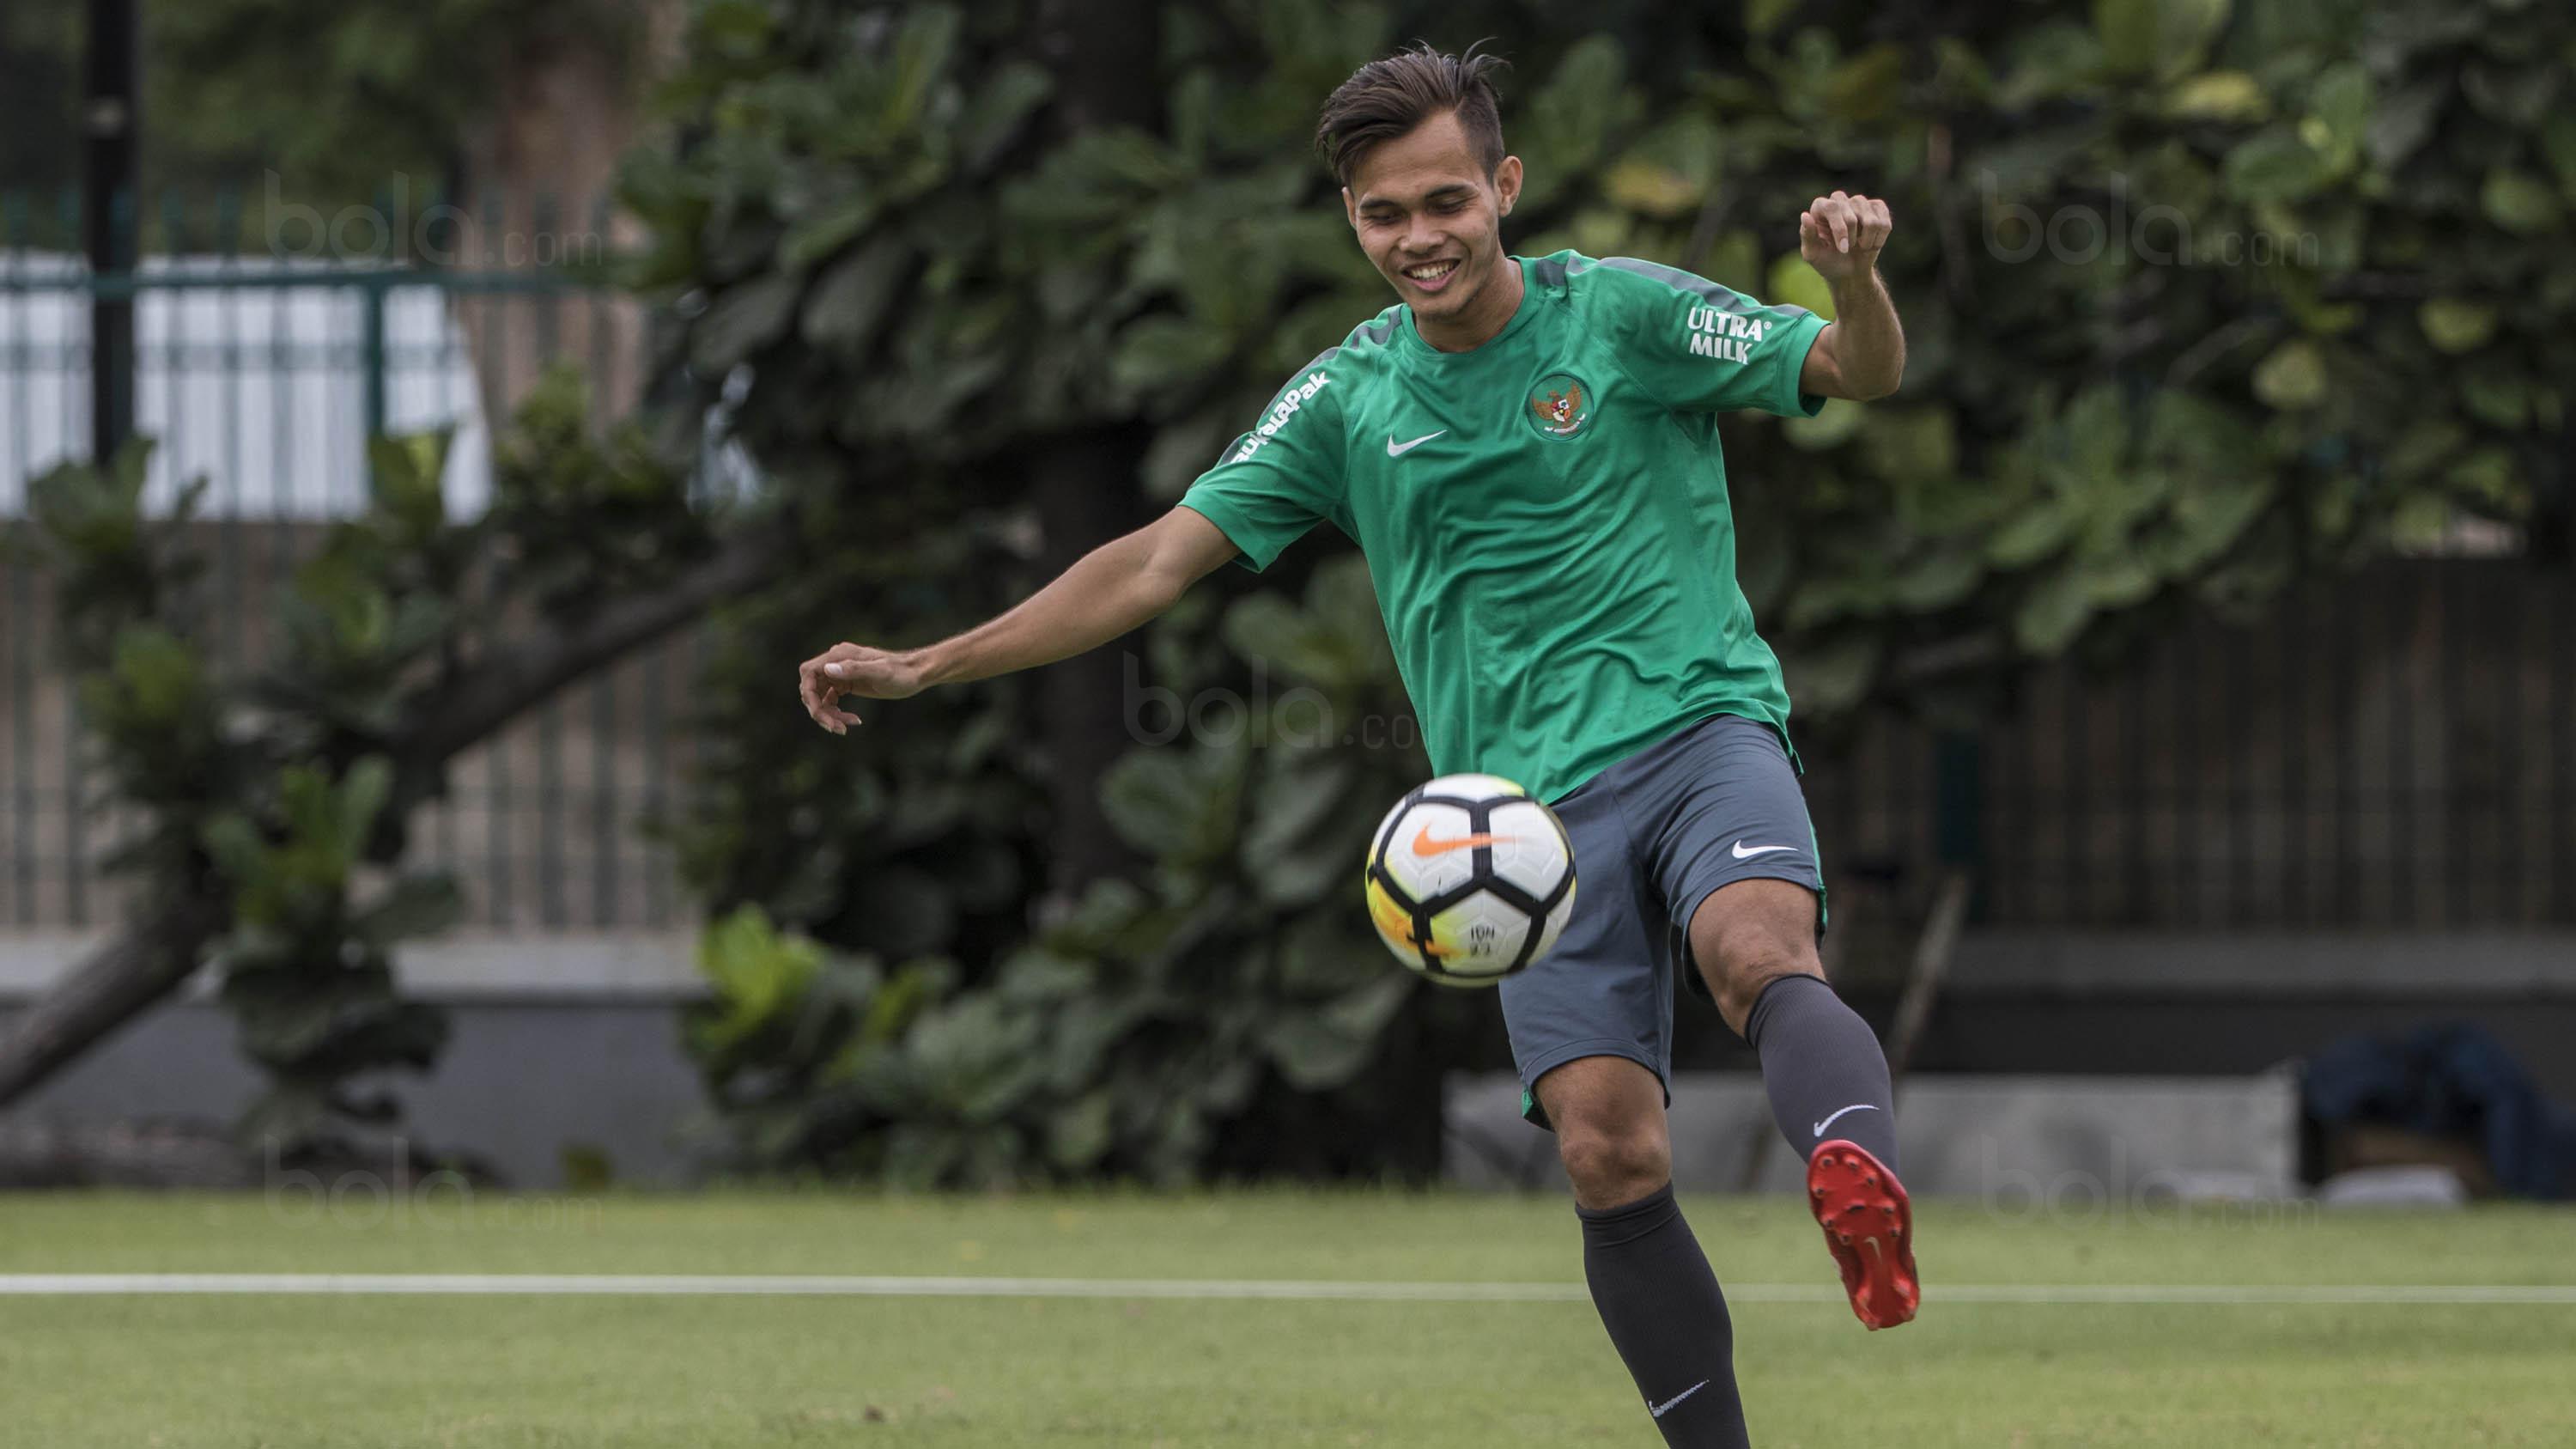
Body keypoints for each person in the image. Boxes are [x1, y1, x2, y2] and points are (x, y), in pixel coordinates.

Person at [797, 42, 1915, 1447]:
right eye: (1384, 215)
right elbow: (1150, 565)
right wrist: (932, 659)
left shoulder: (1621, 314)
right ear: (1352, 221)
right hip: (1520, 824)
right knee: (1606, 1152)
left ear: (1503, 186)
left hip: (1698, 727)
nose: (1419, 239)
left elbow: (1853, 371)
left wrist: (1858, 280)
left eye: (1445, 202)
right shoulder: (1347, 399)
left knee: (1756, 950)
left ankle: (1855, 1172)